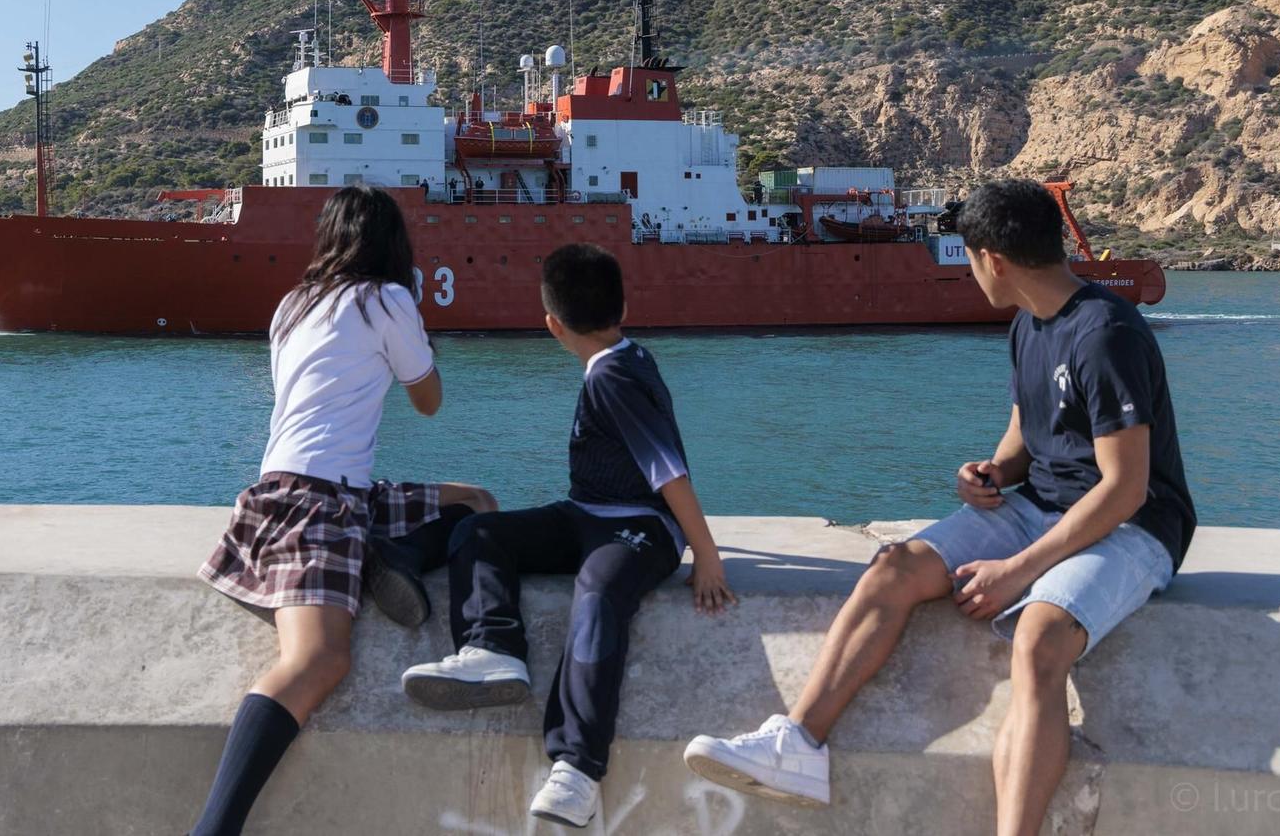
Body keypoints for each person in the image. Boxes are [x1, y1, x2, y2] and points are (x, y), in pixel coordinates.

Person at [684, 179, 1196, 836]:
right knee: (893, 567)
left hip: (1133, 528)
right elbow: (1026, 434)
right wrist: (992, 473)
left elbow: (1126, 487)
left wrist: (1018, 570)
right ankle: (798, 744)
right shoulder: (1028, 324)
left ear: (993, 260)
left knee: (1038, 641)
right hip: (1041, 506)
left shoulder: (1106, 334)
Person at [189, 185, 497, 836]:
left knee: (476, 501)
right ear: (393, 245)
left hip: (298, 493)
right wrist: (415, 321)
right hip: (321, 506)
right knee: (319, 660)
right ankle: (213, 829)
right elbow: (429, 401)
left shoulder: (292, 306)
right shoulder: (387, 300)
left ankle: (391, 554)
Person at [401, 242, 735, 830]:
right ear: (623, 307)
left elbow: (670, 473)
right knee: (481, 531)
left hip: (641, 527)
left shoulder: (612, 376)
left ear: (553, 325)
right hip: (587, 513)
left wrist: (706, 556)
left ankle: (578, 767)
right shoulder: (629, 357)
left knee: (598, 594)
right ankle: (494, 650)